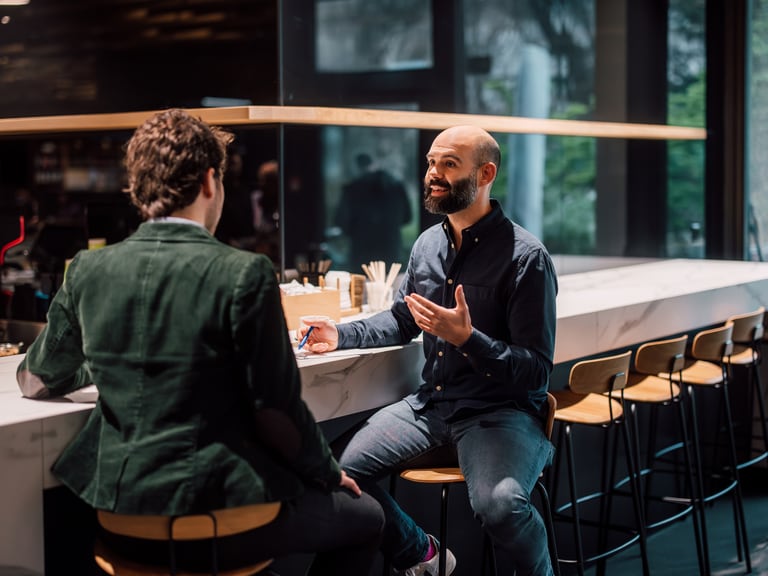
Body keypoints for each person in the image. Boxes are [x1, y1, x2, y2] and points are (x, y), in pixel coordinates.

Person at [16, 108, 384, 575]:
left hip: (119, 519)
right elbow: (277, 409)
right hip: (220, 518)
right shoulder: (243, 272)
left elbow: (36, 378)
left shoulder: (89, 269)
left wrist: (110, 362)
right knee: (369, 518)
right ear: (211, 181)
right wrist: (328, 472)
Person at [301, 125, 558, 576]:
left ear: (486, 174)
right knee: (332, 472)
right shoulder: (427, 245)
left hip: (500, 413)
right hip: (432, 406)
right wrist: (341, 335)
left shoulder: (526, 257)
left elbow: (535, 371)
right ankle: (420, 554)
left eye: (449, 164)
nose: (433, 173)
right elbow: (402, 318)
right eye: (431, 163)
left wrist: (468, 339)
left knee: (501, 507)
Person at [335, 152, 412, 271]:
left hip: (361, 249)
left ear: (357, 167)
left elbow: (341, 221)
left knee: (361, 285)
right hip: (390, 247)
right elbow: (407, 217)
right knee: (391, 285)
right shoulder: (396, 186)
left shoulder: (352, 189)